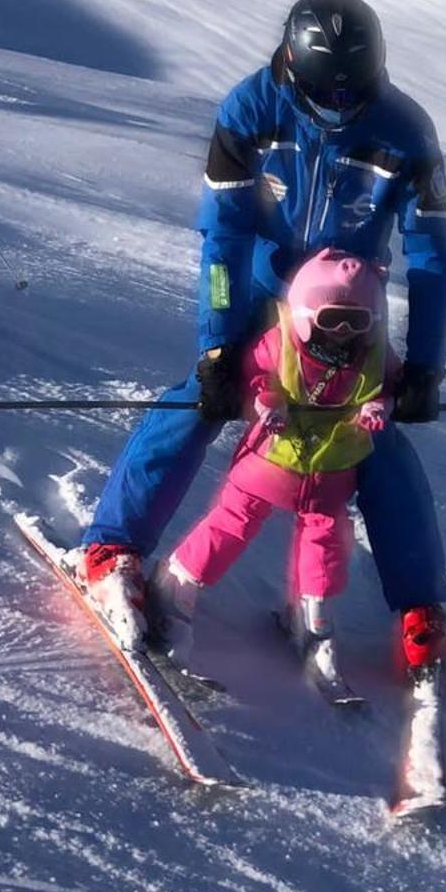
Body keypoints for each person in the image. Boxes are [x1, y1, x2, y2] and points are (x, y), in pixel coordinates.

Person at [76, 0, 446, 685]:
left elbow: (432, 253)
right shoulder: (250, 110)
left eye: (354, 91)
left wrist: (426, 366)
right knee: (196, 400)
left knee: (375, 440)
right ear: (290, 64)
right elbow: (221, 239)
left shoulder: (404, 130)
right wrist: (220, 346)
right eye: (324, 91)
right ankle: (112, 548)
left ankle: (420, 609)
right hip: (259, 292)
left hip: (346, 311)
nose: (339, 105)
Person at [156, 250, 394, 700]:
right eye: (333, 319)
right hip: (269, 463)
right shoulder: (280, 341)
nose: (342, 334)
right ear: (305, 310)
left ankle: (314, 615)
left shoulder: (375, 354)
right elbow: (254, 375)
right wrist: (265, 398)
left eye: (356, 323)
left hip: (331, 472)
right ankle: (179, 586)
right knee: (233, 522)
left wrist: (380, 405)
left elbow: (390, 385)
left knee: (325, 539)